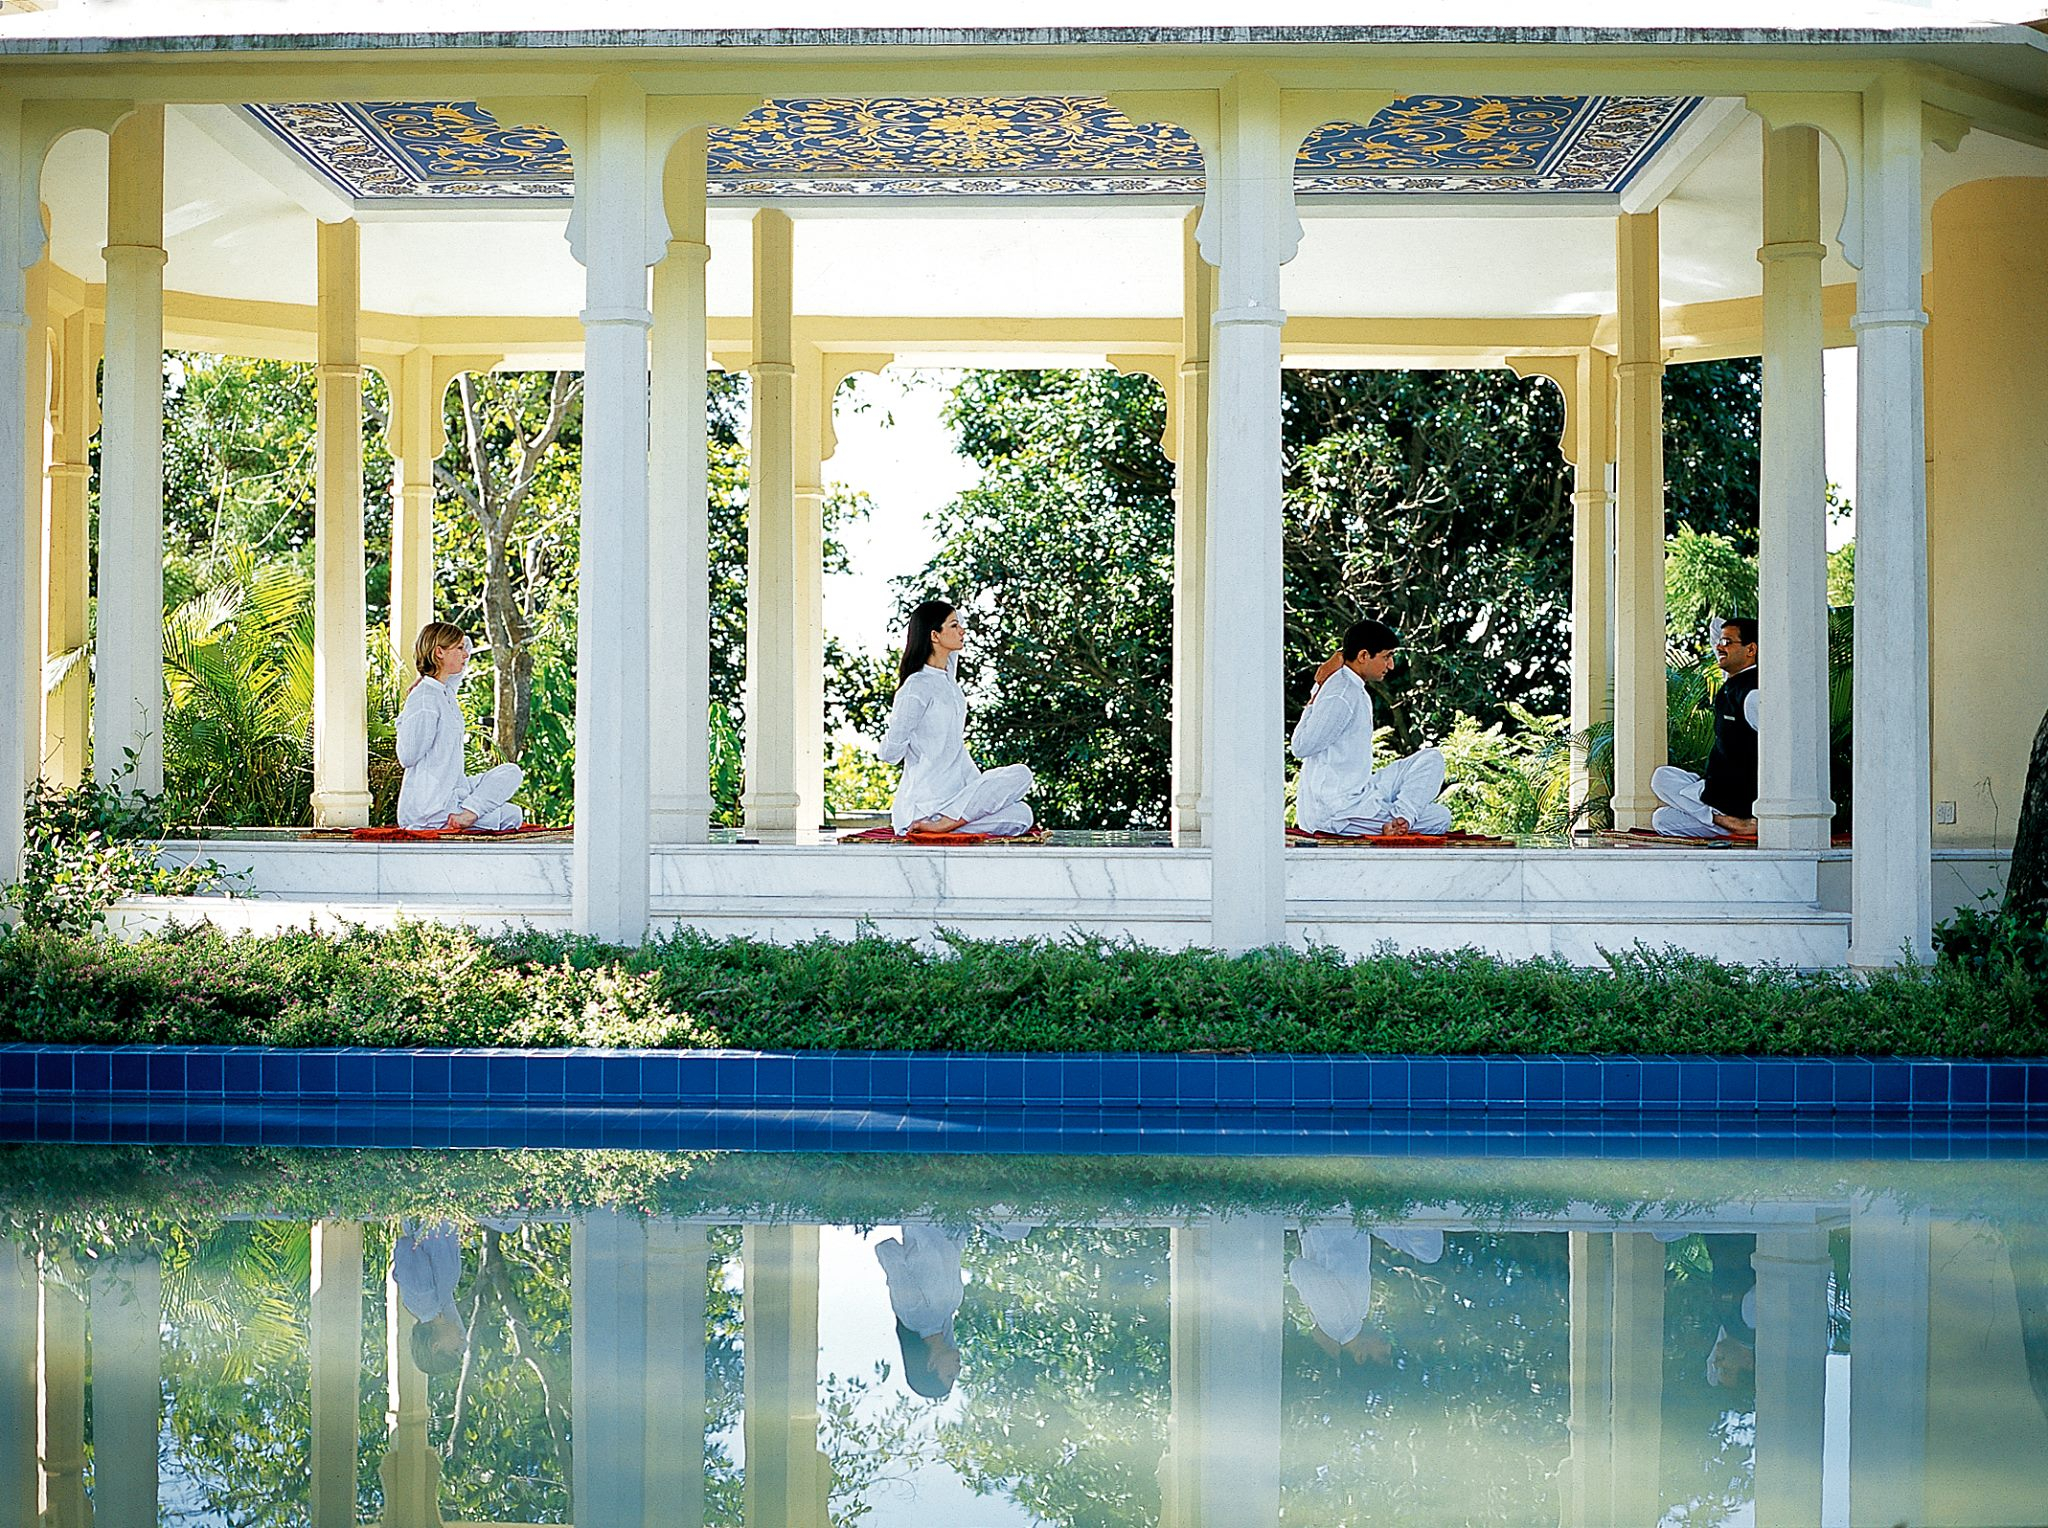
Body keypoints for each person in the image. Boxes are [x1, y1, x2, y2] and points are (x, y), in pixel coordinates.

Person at [876, 599, 1034, 837]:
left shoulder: (947, 678)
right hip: (925, 803)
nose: (962, 630)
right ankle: (939, 823)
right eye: (954, 625)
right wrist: (902, 735)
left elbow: (951, 646)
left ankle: (947, 823)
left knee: (1022, 811)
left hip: (959, 795)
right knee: (1020, 790)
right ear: (934, 635)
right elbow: (890, 755)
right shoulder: (916, 687)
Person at [1290, 618, 1452, 837]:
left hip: (1361, 792)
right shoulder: (1342, 694)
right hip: (1338, 812)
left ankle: (1399, 820)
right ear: (1364, 656)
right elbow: (1300, 747)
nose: (1391, 665)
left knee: (1431, 758)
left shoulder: (1353, 687)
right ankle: (1397, 822)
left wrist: (1328, 671)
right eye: (1386, 657)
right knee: (1439, 817)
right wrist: (1316, 692)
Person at [395, 621, 525, 832]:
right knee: (511, 816)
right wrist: (405, 718)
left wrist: (424, 674)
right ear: (439, 652)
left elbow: (468, 644)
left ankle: (467, 814)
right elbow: (407, 756)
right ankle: (466, 815)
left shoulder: (444, 690)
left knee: (511, 775)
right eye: (458, 649)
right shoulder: (425, 698)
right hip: (429, 807)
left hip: (453, 792)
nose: (465, 654)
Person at [1652, 617, 1760, 839]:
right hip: (1716, 792)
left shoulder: (1753, 695)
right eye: (1720, 642)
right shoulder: (1733, 679)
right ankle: (1724, 821)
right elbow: (1715, 626)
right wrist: (1727, 637)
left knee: (1662, 788)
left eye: (1727, 642)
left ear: (1751, 649)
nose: (1719, 647)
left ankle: (1733, 821)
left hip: (1741, 796)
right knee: (1661, 815)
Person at [1288, 1222, 1446, 1365]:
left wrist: (1316, 1319)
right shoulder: (1352, 1319)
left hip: (1334, 1215)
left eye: (1383, 1355)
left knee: (1430, 1250)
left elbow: (1298, 1267)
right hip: (1354, 1220)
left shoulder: (1339, 1323)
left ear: (1360, 1357)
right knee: (1429, 1252)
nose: (1388, 1346)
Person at [876, 1222, 968, 1399]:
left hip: (925, 1218)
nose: (958, 1370)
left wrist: (918, 1230)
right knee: (1016, 1232)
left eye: (950, 1375)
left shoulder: (913, 1315)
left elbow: (888, 1251)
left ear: (931, 1365)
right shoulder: (947, 1312)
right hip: (956, 1220)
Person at [392, 1219, 468, 1376]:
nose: (461, 1342)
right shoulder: (440, 1307)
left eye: (455, 1349)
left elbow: (405, 1247)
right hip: (447, 1214)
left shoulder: (422, 1301)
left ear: (435, 1346)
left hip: (429, 1215)